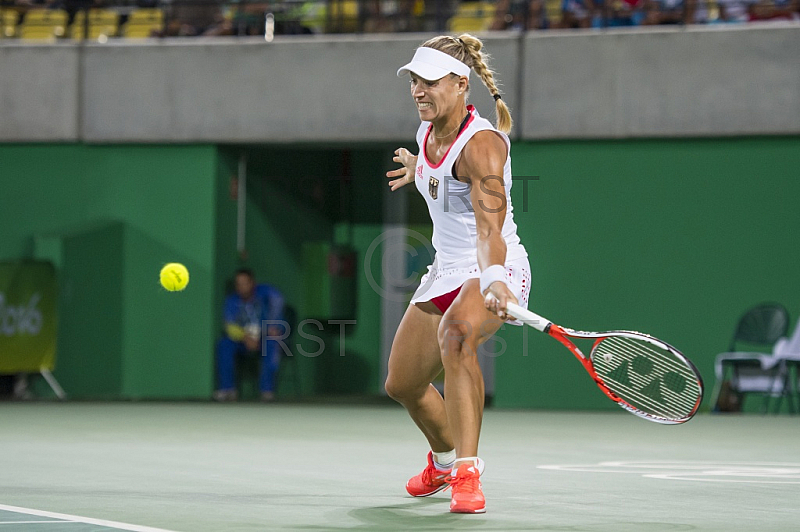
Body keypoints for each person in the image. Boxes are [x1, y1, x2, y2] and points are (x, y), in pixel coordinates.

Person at [385, 34, 531, 514]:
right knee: (402, 384)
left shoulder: (483, 145)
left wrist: (494, 279)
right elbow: (440, 179)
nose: (417, 91)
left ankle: (468, 473)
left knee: (456, 337)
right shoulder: (427, 132)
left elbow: (491, 229)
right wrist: (418, 169)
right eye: (414, 81)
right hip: (445, 269)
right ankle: (444, 461)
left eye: (428, 81)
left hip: (494, 265)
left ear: (460, 83)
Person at [214, 268, 284, 402]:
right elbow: (229, 326)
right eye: (238, 284)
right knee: (224, 344)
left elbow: (277, 303)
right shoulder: (232, 300)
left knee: (273, 342)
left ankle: (266, 391)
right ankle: (227, 389)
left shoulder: (267, 294)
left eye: (245, 283)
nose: (241, 287)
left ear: (253, 283)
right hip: (243, 340)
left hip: (264, 338)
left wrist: (271, 328)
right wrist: (246, 338)